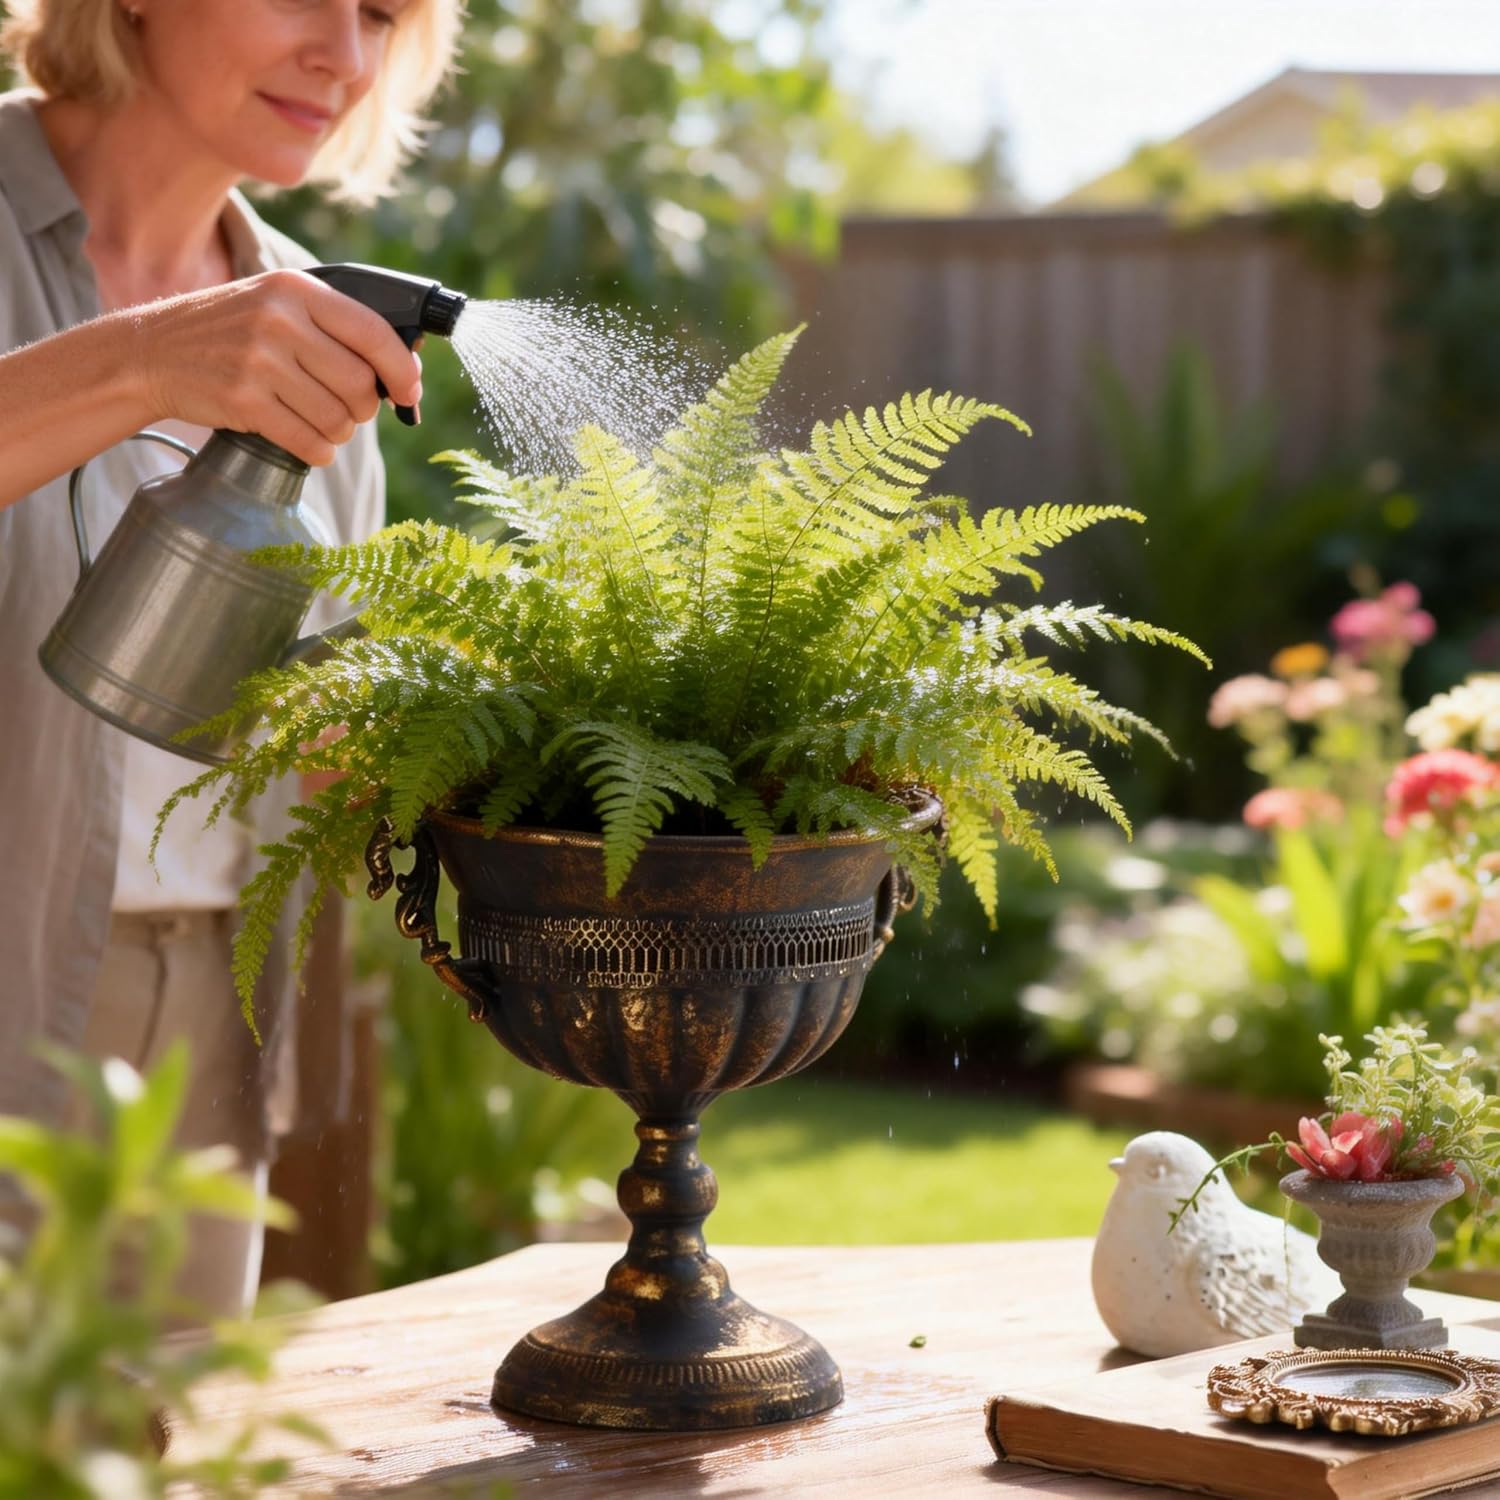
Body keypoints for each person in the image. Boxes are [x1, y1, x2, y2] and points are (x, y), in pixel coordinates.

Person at [0, 0, 463, 1316]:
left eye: (382, 15)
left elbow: (318, 746)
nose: (346, 56)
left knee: (175, 1424)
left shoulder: (318, 325)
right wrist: (144, 360)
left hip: (213, 1012)